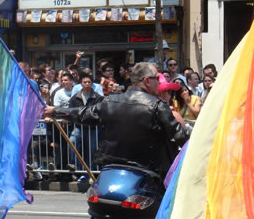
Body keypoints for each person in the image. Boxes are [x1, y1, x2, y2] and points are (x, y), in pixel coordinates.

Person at [44, 62, 187, 179]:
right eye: (156, 78)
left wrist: (55, 111)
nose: (160, 81)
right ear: (147, 81)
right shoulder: (157, 105)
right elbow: (180, 135)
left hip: (115, 166)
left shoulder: (111, 101)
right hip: (149, 169)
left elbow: (83, 113)